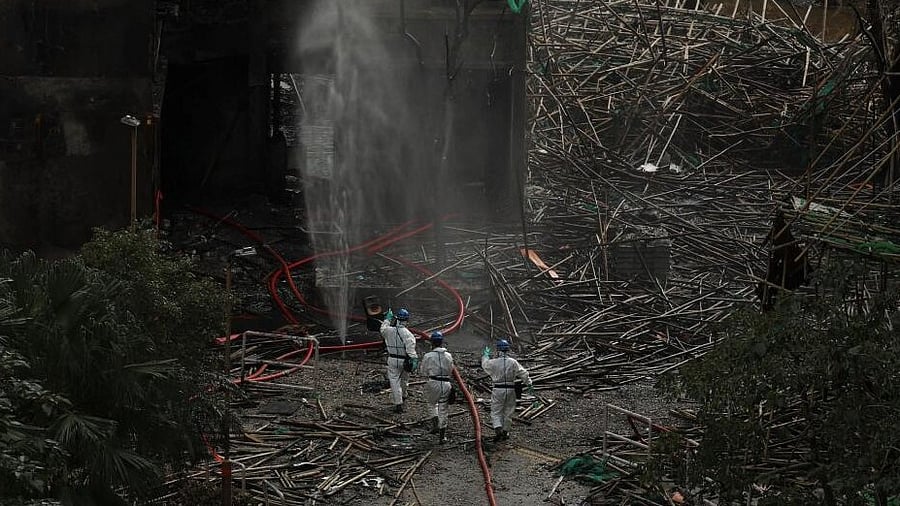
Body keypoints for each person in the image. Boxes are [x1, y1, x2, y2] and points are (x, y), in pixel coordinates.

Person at [481, 339, 533, 442]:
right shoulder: (513, 362)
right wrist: (529, 384)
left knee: (496, 411)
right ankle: (505, 432)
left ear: (498, 350)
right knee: (508, 411)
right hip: (510, 389)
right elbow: (523, 373)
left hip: (498, 389)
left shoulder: (493, 362)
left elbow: (485, 365)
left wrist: (485, 355)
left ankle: (498, 430)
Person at [380, 308, 418, 413]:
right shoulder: (408, 334)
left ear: (397, 319)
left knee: (394, 381)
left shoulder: (389, 331)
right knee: (404, 379)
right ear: (407, 320)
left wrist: (387, 319)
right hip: (404, 360)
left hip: (392, 359)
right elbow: (411, 351)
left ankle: (398, 403)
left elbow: (382, 329)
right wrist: (414, 361)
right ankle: (404, 395)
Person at [420, 331, 454, 443]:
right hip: (446, 383)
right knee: (443, 409)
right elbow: (451, 370)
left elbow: (423, 371)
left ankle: (435, 425)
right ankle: (442, 436)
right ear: (441, 342)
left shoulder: (428, 356)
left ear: (432, 343)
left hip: (433, 382)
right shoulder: (448, 355)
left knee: (431, 404)